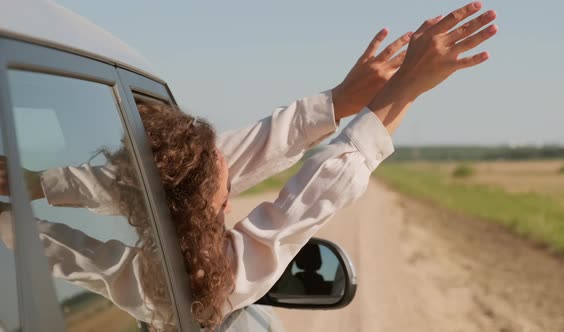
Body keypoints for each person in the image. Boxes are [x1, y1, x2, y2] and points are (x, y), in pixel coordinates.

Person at [0, 2, 497, 328]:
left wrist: (38, 185)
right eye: (215, 157)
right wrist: (403, 87)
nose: (225, 153)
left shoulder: (150, 275)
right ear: (214, 198)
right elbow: (313, 191)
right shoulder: (197, 293)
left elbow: (158, 182)